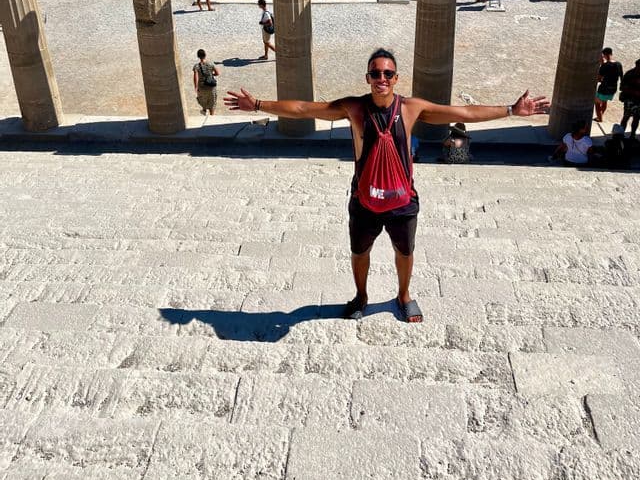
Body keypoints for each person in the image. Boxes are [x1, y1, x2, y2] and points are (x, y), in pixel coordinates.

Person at [224, 48, 549, 324]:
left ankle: (404, 295)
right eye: (376, 73)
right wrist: (258, 105)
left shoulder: (411, 108)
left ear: (396, 78)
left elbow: (462, 111)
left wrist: (511, 110)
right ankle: (361, 296)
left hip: (402, 200)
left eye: (388, 73)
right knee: (359, 252)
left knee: (404, 251)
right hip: (364, 199)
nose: (382, 78)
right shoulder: (354, 108)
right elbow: (305, 108)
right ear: (367, 77)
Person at [594, 47, 623, 122]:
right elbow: (621, 77)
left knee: (597, 103)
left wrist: (602, 65)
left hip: (604, 88)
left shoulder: (604, 66)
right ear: (611, 53)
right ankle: (600, 116)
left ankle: (599, 119)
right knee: (604, 102)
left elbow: (599, 79)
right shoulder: (618, 64)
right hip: (613, 88)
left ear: (604, 55)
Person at [193, 48, 220, 115]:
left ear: (198, 56)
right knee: (212, 103)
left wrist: (196, 87)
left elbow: (195, 77)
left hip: (202, 87)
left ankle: (204, 109)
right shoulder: (211, 64)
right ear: (205, 55)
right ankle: (211, 116)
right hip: (211, 86)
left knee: (203, 99)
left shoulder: (196, 66)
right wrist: (211, 74)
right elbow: (217, 73)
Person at [620, 58, 640, 139]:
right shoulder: (629, 74)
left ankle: (632, 135)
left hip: (638, 102)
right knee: (625, 117)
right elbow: (622, 87)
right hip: (629, 101)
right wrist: (633, 92)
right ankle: (621, 134)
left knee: (636, 118)